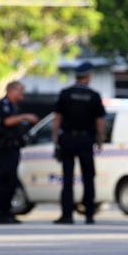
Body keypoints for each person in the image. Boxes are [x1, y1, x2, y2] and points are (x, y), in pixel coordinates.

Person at [52, 62, 106, 224]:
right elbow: (100, 121)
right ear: (88, 77)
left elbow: (57, 119)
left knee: (67, 178)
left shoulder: (65, 93)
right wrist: (100, 139)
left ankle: (67, 215)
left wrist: (55, 139)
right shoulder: (94, 96)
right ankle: (89, 214)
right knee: (88, 177)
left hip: (68, 139)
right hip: (85, 140)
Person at [0, 81, 38, 224]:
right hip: (5, 149)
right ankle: (1, 214)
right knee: (5, 181)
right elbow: (7, 122)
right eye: (20, 91)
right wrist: (25, 117)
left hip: (13, 148)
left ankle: (7, 212)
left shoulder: (12, 106)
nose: (22, 95)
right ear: (12, 90)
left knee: (11, 182)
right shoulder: (3, 104)